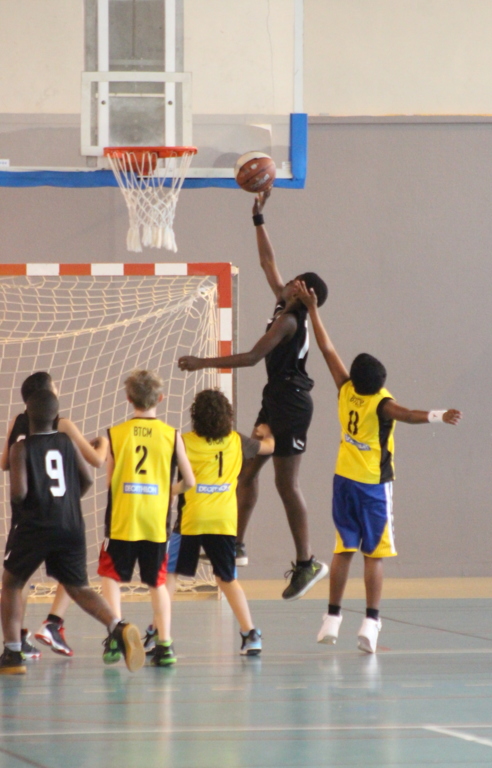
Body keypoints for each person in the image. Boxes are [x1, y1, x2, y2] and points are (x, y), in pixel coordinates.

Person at [295, 281, 462, 653]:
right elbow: (410, 414)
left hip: (343, 481)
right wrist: (440, 415)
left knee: (344, 549)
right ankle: (371, 623)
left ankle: (332, 618)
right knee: (375, 554)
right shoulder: (382, 404)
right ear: (378, 384)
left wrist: (313, 310)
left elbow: (326, 348)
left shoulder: (345, 388)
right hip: (373, 485)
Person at [178, 192, 328, 601]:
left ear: (305, 294)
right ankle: (236, 544)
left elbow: (251, 356)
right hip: (275, 397)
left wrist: (202, 362)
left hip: (292, 402)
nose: (290, 281)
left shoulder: (291, 321)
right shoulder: (283, 302)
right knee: (246, 470)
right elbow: (267, 261)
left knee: (286, 483)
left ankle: (307, 561)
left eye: (298, 282)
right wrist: (258, 218)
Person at [0, 389, 144, 675]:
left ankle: (13, 653)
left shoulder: (21, 448)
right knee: (78, 587)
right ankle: (118, 626)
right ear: (56, 416)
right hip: (71, 524)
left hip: (35, 526)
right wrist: (65, 502)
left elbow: (19, 493)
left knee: (12, 584)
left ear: (27, 416)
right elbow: (87, 478)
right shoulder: (66, 441)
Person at [145, 389, 274, 657]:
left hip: (191, 520)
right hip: (224, 522)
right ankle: (250, 634)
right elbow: (269, 447)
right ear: (227, 416)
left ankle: (156, 633)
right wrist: (267, 433)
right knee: (227, 579)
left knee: (170, 576)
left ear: (196, 417)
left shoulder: (182, 442)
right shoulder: (237, 440)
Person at [0, 371, 108, 658]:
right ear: (48, 395)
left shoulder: (17, 422)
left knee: (16, 578)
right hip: (59, 511)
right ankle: (56, 622)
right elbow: (96, 463)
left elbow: (5, 463)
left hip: (26, 515)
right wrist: (103, 443)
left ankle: (17, 640)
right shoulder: (63, 426)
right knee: (74, 578)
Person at [98, 369, 195, 668]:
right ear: (161, 398)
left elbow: (109, 482)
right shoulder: (171, 435)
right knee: (157, 582)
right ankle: (165, 645)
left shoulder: (116, 434)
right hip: (155, 522)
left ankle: (116, 636)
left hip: (123, 519)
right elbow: (190, 481)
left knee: (111, 577)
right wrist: (169, 491)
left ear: (129, 399)